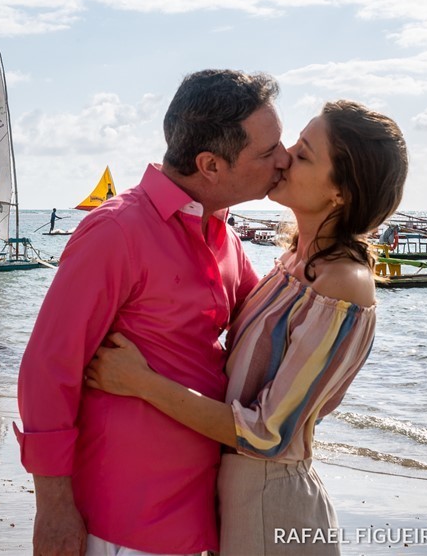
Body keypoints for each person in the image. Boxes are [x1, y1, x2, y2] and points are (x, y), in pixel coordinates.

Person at [86, 100, 408, 555]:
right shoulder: (294, 264)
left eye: (304, 153)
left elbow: (268, 434)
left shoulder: (343, 286)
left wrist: (140, 382)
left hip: (273, 503)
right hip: (235, 494)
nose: (284, 156)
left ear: (342, 192)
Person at [15, 69, 291, 556]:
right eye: (268, 152)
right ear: (210, 165)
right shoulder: (116, 231)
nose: (284, 159)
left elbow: (267, 322)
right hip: (122, 521)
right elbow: (46, 369)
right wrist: (53, 507)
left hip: (201, 518)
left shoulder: (222, 234)